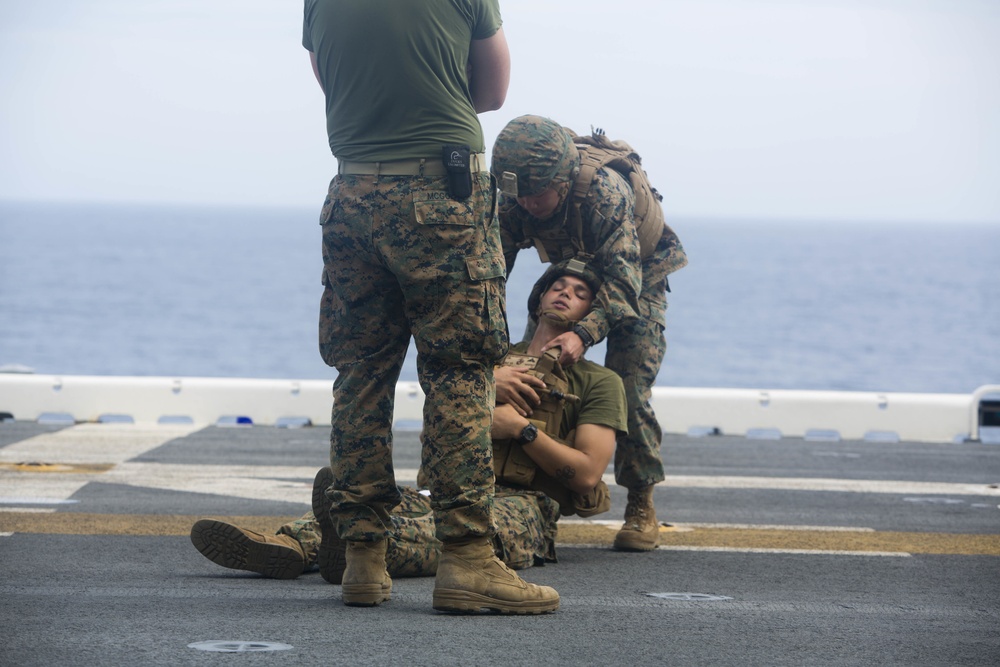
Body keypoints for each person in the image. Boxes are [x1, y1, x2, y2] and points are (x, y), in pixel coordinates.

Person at [301, 2, 558, 614]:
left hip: (351, 192)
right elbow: (492, 92)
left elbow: (329, 77)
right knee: (459, 374)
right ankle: (467, 559)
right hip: (439, 196)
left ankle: (363, 556)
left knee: (360, 374)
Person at [191, 263, 627, 591]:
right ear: (539, 297)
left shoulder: (598, 383)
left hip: (526, 505)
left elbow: (587, 473)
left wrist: (517, 428)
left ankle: (362, 549)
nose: (565, 294)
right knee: (373, 500)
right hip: (449, 487)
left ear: (592, 313)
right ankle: (288, 547)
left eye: (581, 292)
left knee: (451, 535)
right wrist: (484, 388)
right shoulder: (488, 361)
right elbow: (433, 432)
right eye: (558, 286)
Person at [490, 114, 688, 552]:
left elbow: (622, 285)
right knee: (533, 379)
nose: (525, 203)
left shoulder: (603, 195)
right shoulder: (516, 197)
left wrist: (584, 333)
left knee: (629, 391)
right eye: (517, 194)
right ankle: (529, 495)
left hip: (637, 280)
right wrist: (490, 349)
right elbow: (489, 274)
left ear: (562, 183)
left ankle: (641, 501)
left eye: (535, 195)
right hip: (569, 276)